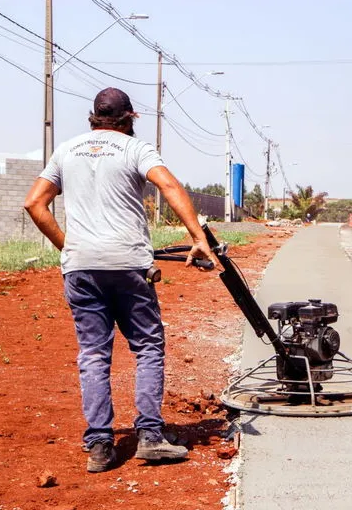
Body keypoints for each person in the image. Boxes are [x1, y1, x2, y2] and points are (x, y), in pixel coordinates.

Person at [24, 87, 213, 473]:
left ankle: (99, 446)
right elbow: (169, 186)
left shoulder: (67, 150)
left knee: (93, 353)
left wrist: (68, 247)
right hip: (128, 264)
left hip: (81, 267)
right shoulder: (135, 150)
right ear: (130, 118)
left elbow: (34, 202)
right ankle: (150, 436)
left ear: (93, 117)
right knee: (147, 346)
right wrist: (198, 237)